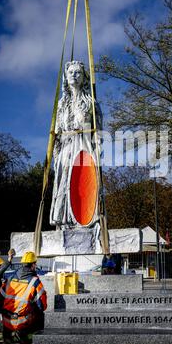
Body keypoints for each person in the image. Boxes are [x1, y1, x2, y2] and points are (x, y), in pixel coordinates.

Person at [49, 60, 102, 229]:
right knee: (64, 181)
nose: (74, 75)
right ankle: (63, 220)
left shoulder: (91, 103)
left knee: (82, 182)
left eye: (78, 72)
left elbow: (98, 131)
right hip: (66, 146)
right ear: (66, 76)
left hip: (84, 146)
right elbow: (56, 132)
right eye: (70, 72)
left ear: (84, 77)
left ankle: (85, 219)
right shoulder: (61, 104)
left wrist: (97, 148)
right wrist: (55, 154)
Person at [0, 251, 47, 344]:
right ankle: (22, 333)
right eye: (35, 264)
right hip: (20, 320)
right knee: (41, 316)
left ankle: (7, 335)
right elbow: (42, 305)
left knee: (9, 309)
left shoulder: (10, 278)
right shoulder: (35, 281)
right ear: (33, 265)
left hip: (5, 319)